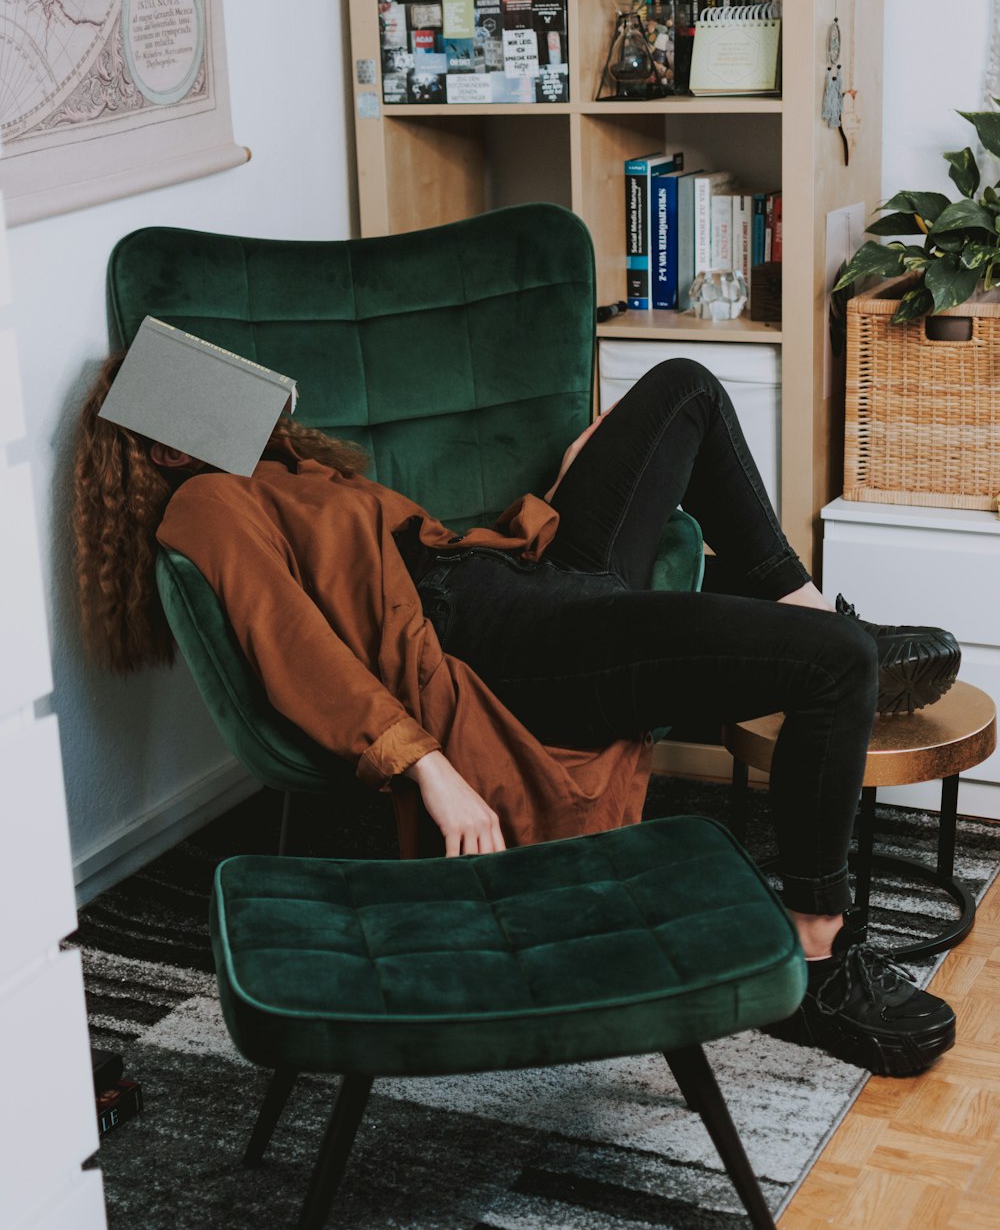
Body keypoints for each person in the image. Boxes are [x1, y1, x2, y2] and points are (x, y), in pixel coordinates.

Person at [74, 355, 961, 1078]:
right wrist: (430, 767)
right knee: (835, 669)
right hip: (511, 643)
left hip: (523, 578)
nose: (243, 392)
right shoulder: (206, 504)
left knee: (684, 387)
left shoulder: (279, 473)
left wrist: (566, 490)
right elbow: (295, 646)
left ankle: (816, 615)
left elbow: (414, 549)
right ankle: (818, 956)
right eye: (203, 387)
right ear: (158, 450)